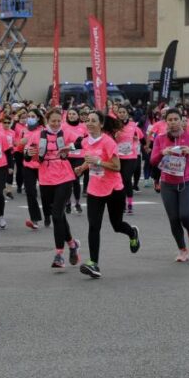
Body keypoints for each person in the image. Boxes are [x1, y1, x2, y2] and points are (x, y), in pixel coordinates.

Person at [72, 110, 140, 279]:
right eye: (87, 120)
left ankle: (132, 233)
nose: (89, 123)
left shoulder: (108, 142)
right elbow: (90, 159)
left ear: (101, 124)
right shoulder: (86, 141)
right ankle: (93, 263)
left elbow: (117, 167)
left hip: (114, 189)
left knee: (117, 225)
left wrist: (99, 162)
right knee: (94, 226)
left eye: (93, 120)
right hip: (95, 189)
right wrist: (82, 168)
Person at [26, 108, 82, 269]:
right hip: (45, 177)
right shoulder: (37, 135)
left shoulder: (66, 133)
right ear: (47, 121)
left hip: (65, 176)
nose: (56, 124)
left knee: (57, 214)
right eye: (53, 121)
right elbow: (27, 156)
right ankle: (72, 244)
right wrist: (28, 153)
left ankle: (59, 255)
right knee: (59, 215)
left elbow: (81, 142)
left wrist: (69, 148)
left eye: (58, 121)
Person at [150, 108, 189, 263]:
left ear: (181, 121)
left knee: (185, 215)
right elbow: (152, 160)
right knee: (174, 219)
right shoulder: (160, 139)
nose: (173, 122)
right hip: (167, 184)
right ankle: (182, 250)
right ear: (165, 122)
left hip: (186, 182)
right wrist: (162, 152)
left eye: (176, 119)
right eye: (170, 119)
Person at [19, 110, 50, 230]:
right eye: (29, 116)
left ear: (38, 118)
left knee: (45, 193)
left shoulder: (44, 131)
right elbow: (19, 149)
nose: (30, 118)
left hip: (42, 165)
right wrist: (21, 144)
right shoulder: (24, 131)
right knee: (30, 192)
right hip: (28, 165)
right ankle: (34, 219)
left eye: (33, 116)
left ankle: (47, 214)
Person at [114, 106, 144, 214]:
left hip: (131, 156)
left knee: (126, 179)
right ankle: (122, 204)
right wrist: (114, 136)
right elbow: (109, 140)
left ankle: (130, 203)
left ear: (127, 113)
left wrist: (137, 140)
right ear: (117, 114)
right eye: (120, 112)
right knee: (120, 181)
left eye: (124, 112)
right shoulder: (114, 126)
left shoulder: (133, 126)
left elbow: (142, 139)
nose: (122, 114)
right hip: (117, 157)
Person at [62, 108, 88, 215]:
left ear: (78, 116)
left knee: (75, 179)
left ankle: (77, 203)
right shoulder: (63, 126)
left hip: (79, 156)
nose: (71, 116)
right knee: (68, 181)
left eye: (74, 114)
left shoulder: (84, 127)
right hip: (67, 156)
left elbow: (87, 141)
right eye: (70, 114)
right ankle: (68, 202)